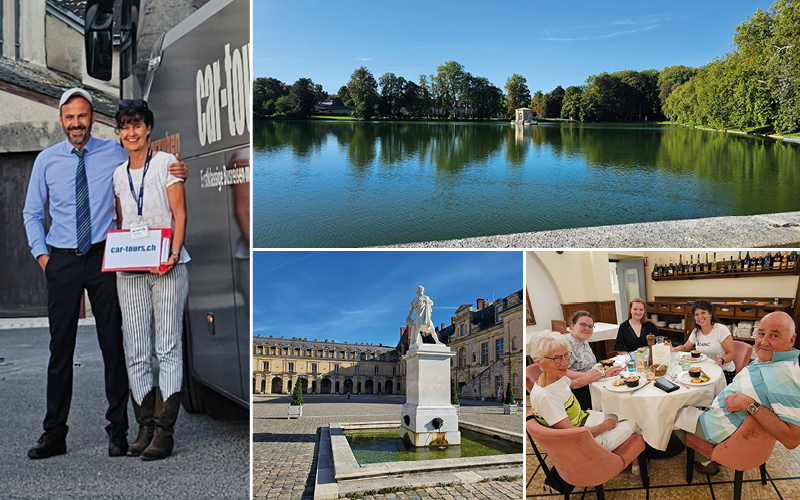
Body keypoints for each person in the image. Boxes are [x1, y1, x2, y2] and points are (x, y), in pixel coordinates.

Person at [22, 88, 186, 460]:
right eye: (69, 117)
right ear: (61, 120)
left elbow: (148, 158)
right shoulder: (46, 161)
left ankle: (119, 430)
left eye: (82, 116)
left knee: (113, 345)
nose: (76, 123)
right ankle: (54, 434)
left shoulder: (113, 153)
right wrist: (42, 257)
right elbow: (32, 212)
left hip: (102, 256)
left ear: (92, 118)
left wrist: (179, 167)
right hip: (61, 260)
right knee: (60, 350)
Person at [112, 99, 190, 460]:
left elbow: (179, 213)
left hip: (166, 265)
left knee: (168, 346)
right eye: (125, 126)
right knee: (136, 348)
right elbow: (123, 222)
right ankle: (143, 426)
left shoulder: (167, 165)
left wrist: (172, 255)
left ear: (148, 128)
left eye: (137, 125)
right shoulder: (117, 174)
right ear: (118, 133)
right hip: (131, 269)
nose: (131, 132)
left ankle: (164, 431)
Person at [680, 312, 800, 476]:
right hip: (721, 416)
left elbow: (793, 439)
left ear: (791, 340)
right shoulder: (773, 359)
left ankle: (704, 458)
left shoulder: (785, 378)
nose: (764, 342)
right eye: (761, 333)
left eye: (774, 335)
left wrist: (750, 405)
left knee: (672, 413)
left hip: (718, 429)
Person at [529, 331, 652, 485]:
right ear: (538, 361)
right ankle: (637, 467)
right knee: (637, 420)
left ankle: (634, 460)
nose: (565, 363)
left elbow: (574, 384)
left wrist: (603, 374)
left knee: (625, 411)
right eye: (557, 358)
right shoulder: (546, 397)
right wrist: (603, 427)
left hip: (587, 421)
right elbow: (572, 436)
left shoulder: (552, 377)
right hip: (589, 443)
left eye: (566, 355)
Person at [564, 311, 623, 410]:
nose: (587, 328)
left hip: (591, 381)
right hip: (577, 391)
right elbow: (560, 372)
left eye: (590, 326)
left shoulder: (582, 340)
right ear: (572, 325)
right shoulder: (565, 343)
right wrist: (585, 375)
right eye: (583, 324)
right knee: (615, 395)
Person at [672, 299, 735, 384]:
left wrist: (721, 360)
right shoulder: (696, 332)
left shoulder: (721, 329)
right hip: (705, 370)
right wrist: (672, 349)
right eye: (696, 314)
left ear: (710, 314)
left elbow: (731, 353)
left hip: (723, 371)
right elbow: (685, 347)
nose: (700, 317)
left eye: (703, 313)